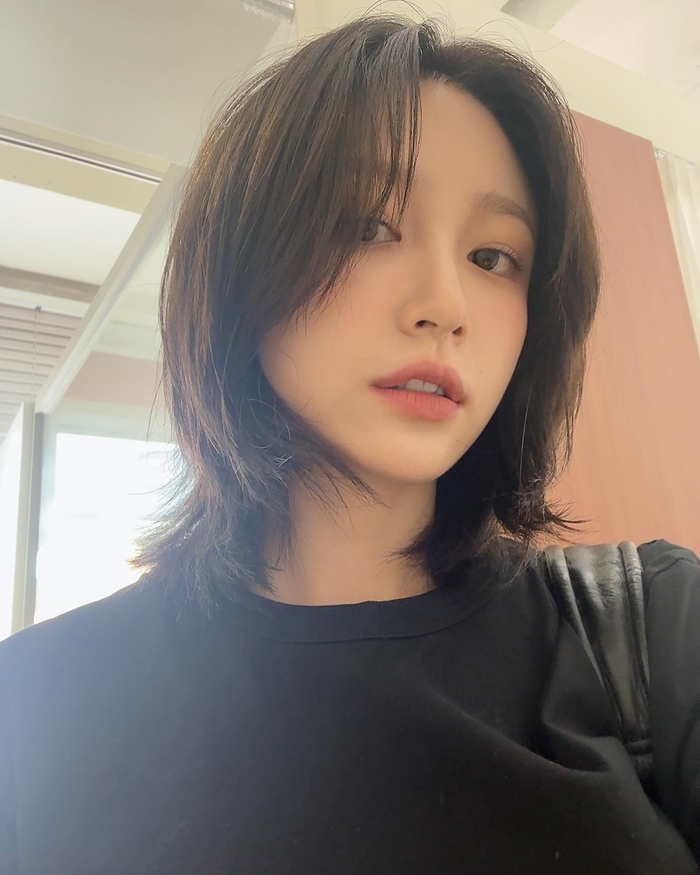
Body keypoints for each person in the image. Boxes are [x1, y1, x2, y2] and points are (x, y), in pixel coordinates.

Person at [1, 12, 699, 874]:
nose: (445, 303)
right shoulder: (32, 704)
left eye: (493, 256)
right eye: (369, 226)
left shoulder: (654, 628)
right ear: (242, 265)